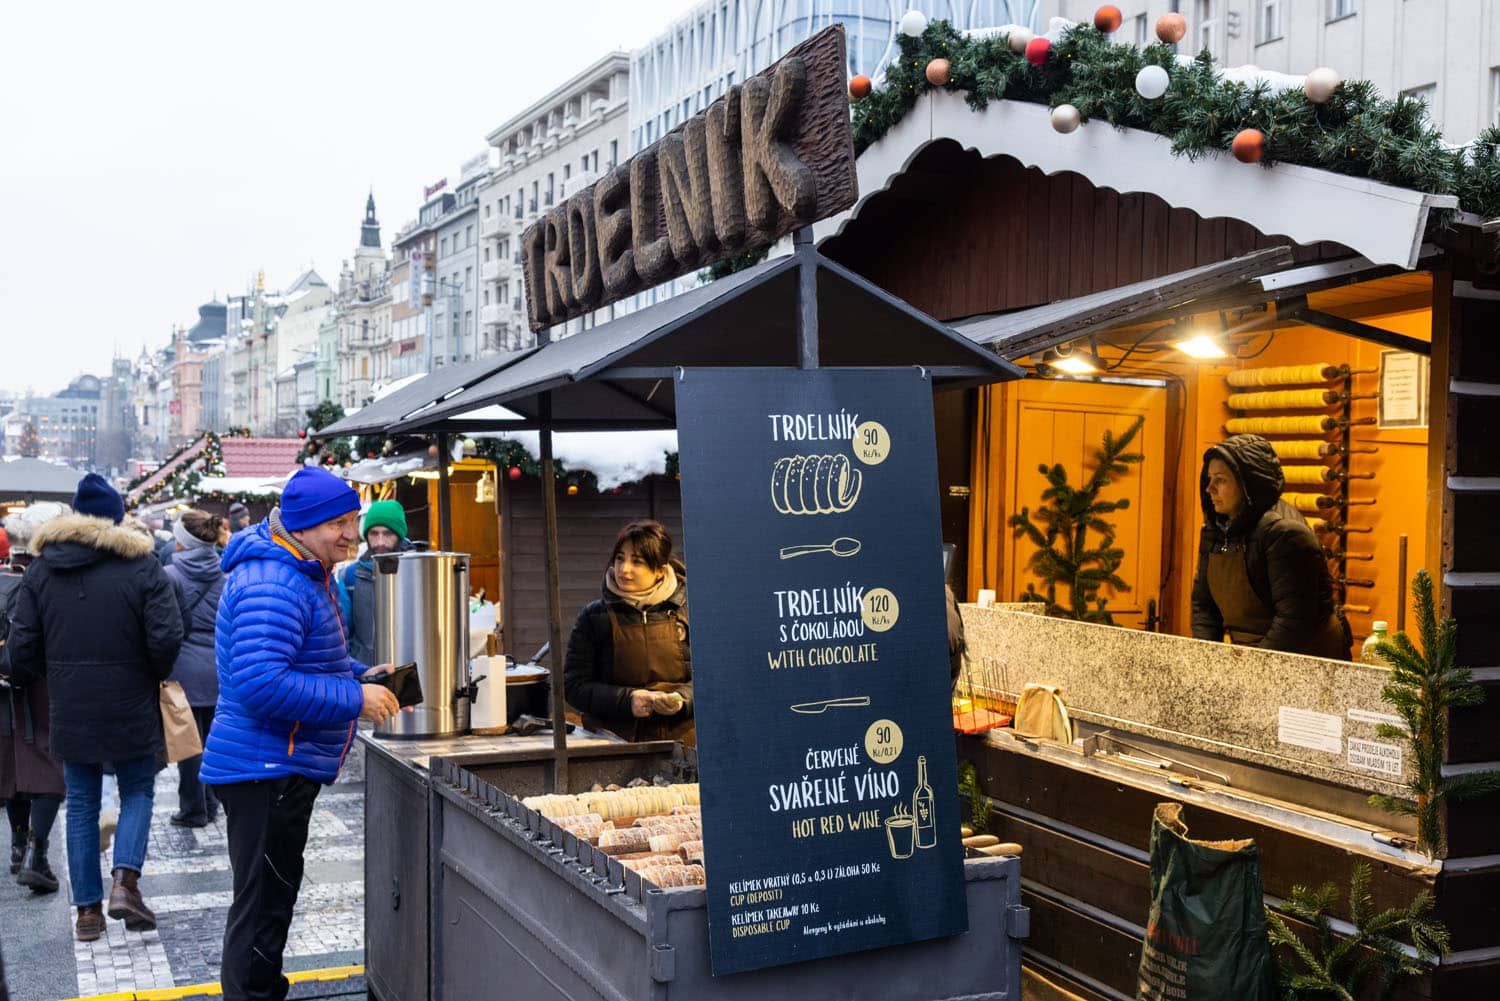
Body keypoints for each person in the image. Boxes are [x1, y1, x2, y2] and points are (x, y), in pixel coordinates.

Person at [201, 466, 402, 1001]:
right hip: (264, 767)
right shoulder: (276, 580)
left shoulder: (302, 569)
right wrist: (355, 699)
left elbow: (298, 661)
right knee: (262, 904)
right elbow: (262, 683)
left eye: (353, 520)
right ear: (304, 524)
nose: (351, 534)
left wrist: (359, 675)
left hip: (273, 766)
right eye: (338, 522)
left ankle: (263, 989)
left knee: (271, 897)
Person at [6, 474, 184, 941]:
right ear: (116, 517)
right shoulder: (142, 565)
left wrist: (55, 674)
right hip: (131, 698)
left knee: (81, 803)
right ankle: (125, 882)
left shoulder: (43, 570)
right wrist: (150, 673)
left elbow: (22, 646)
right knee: (138, 790)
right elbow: (167, 636)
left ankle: (87, 911)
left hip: (70, 701)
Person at [1190, 434, 1349, 659]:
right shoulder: (1215, 533)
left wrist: (1256, 668)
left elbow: (1293, 621)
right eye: (1209, 479)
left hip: (1304, 663)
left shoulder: (1287, 534)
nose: (1210, 489)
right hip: (1254, 659)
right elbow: (1204, 607)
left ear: (1248, 484)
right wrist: (1207, 660)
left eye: (1221, 480)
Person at [564, 519, 694, 745]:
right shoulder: (593, 617)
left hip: (682, 744)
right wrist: (627, 700)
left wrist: (682, 699)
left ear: (660, 571)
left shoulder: (689, 610)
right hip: (613, 744)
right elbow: (574, 687)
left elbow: (713, 679)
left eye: (637, 562)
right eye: (620, 558)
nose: (624, 569)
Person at [0, 503, 69, 896]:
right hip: (39, 682)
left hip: (5, 683)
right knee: (45, 762)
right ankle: (34, 852)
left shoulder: (7, 576)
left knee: (12, 762)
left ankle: (16, 845)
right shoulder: (45, 579)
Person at [163, 511, 225, 828]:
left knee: (187, 743)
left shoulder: (169, 575)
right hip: (217, 666)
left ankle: (193, 808)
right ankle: (212, 801)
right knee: (213, 740)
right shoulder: (224, 572)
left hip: (181, 668)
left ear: (183, 542)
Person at [338, 500, 411, 666]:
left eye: (388, 533)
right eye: (374, 533)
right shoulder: (350, 577)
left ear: (399, 535)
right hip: (365, 673)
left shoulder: (418, 573)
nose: (380, 542)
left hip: (411, 670)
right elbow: (342, 634)